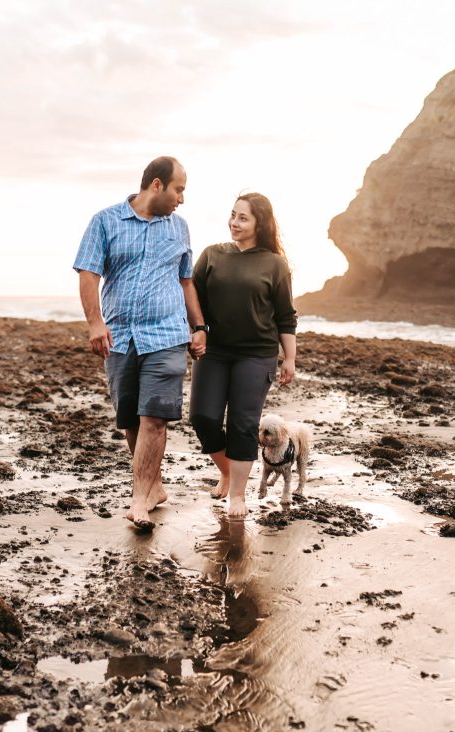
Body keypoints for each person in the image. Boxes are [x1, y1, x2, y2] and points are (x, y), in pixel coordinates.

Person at [73, 156, 207, 531]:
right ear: (158, 185)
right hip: (119, 335)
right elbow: (88, 274)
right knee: (132, 417)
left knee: (155, 418)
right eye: (179, 189)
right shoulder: (105, 220)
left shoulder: (179, 228)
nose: (182, 199)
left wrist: (199, 326)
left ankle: (139, 501)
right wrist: (95, 323)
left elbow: (186, 281)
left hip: (166, 334)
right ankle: (154, 486)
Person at [189, 192, 297, 517]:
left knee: (243, 424)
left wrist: (289, 358)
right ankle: (227, 471)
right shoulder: (212, 255)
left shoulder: (275, 264)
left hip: (257, 354)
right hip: (215, 351)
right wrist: (196, 329)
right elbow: (191, 296)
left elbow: (285, 316)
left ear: (259, 223)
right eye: (233, 215)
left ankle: (237, 495)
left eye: (243, 218)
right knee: (203, 418)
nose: (234, 223)